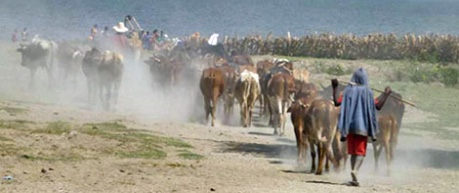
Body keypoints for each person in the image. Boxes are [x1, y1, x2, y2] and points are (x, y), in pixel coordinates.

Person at [331, 68, 391, 187]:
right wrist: (386, 94)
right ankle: (355, 171)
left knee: (352, 152)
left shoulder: (348, 91)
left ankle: (353, 177)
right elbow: (378, 106)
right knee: (361, 153)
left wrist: (335, 87)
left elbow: (337, 103)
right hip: (362, 127)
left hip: (349, 127)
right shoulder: (368, 92)